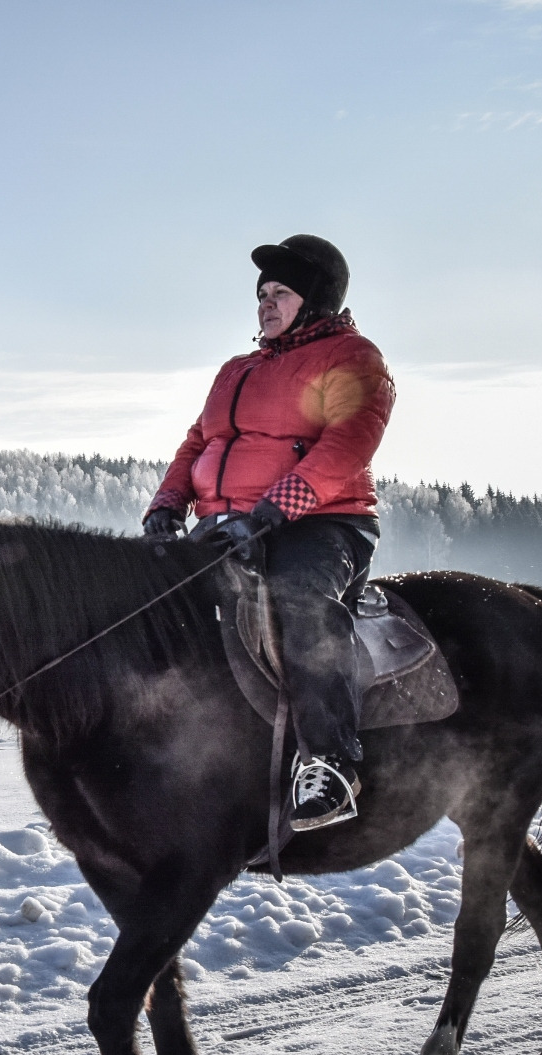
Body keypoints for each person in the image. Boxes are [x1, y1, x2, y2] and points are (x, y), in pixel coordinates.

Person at [141, 234, 394, 831]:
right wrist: (167, 503)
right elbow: (198, 443)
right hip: (225, 525)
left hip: (321, 523)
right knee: (143, 605)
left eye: (281, 292)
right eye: (261, 294)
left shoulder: (354, 357)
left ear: (316, 300)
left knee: (299, 603)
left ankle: (330, 765)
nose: (266, 303)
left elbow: (349, 442)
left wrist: (275, 509)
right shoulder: (237, 370)